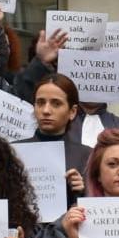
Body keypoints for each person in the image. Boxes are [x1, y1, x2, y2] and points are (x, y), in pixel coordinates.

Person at [28, 73, 94, 201]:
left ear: (72, 112)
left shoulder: (87, 156)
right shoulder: (14, 152)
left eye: (56, 104)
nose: (46, 110)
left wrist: (83, 191)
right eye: (40, 103)